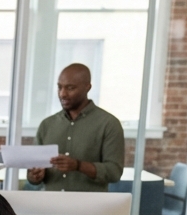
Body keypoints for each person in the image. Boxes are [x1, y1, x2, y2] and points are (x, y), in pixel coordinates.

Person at [27, 63, 124, 191]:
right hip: (49, 207)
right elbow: (33, 174)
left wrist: (78, 166)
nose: (62, 94)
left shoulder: (109, 124)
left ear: (87, 87)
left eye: (70, 88)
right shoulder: (47, 125)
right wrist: (34, 176)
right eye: (59, 87)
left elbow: (114, 172)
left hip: (89, 208)